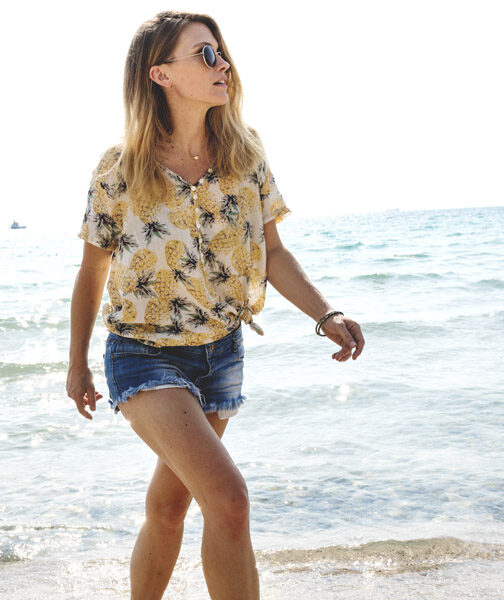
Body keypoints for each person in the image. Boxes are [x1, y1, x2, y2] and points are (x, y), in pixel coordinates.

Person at [66, 10, 365, 600]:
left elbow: (273, 253)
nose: (222, 63)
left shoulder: (245, 155)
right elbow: (92, 271)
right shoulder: (119, 169)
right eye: (204, 54)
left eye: (220, 51)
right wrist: (77, 363)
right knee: (229, 499)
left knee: (169, 506)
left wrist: (325, 314)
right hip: (144, 355)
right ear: (160, 74)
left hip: (221, 355)